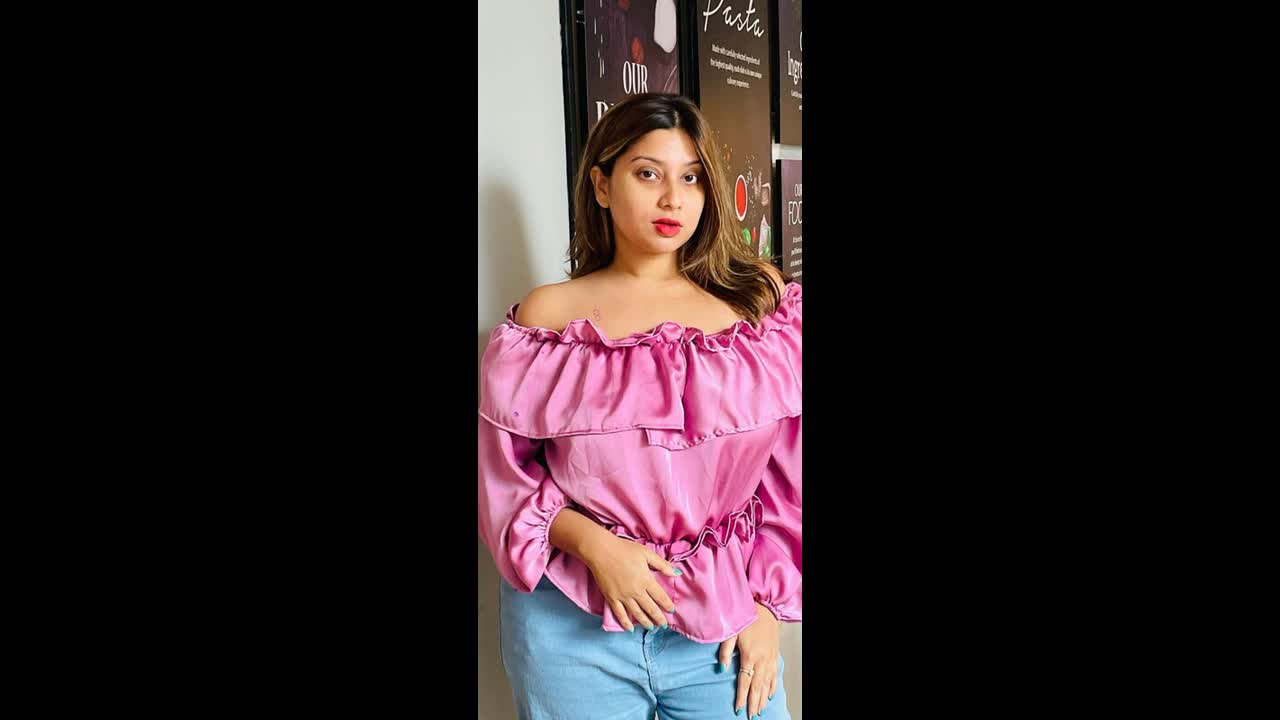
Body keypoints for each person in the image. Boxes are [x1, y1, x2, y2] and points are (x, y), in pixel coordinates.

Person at [478, 93, 801, 720]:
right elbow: (504, 479)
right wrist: (595, 546)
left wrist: (768, 608)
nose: (672, 199)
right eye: (647, 173)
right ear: (601, 185)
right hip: (570, 624)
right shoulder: (546, 321)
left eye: (691, 178)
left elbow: (788, 477)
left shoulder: (757, 312)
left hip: (722, 621)